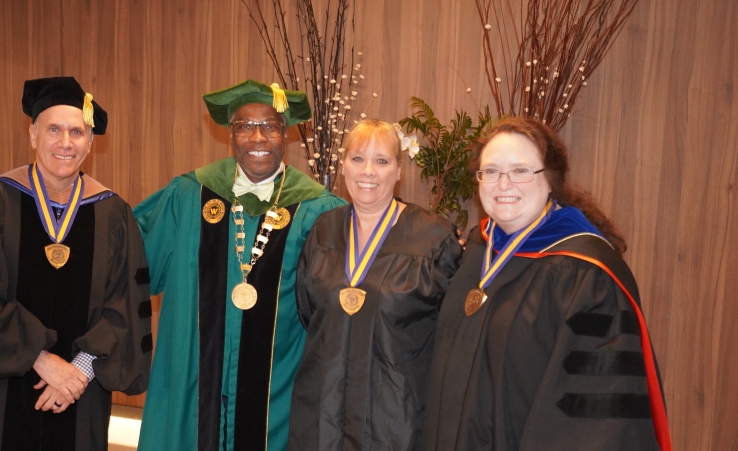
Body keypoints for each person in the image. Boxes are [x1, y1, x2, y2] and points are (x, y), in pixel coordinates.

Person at [419, 117, 671, 450]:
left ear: (550, 180)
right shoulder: (477, 251)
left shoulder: (585, 274)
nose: (503, 184)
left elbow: (595, 412)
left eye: (520, 171)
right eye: (490, 171)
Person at [0, 77, 152, 451]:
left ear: (90, 142)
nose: (66, 143)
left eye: (77, 132)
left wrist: (79, 370)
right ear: (33, 135)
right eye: (54, 130)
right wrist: (40, 358)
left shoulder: (113, 213)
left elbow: (125, 304)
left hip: (80, 390)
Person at [134, 79, 346, 451]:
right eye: (245, 126)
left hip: (279, 383)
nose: (258, 137)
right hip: (196, 380)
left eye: (270, 126)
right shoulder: (189, 195)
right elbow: (124, 253)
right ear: (230, 136)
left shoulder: (318, 208)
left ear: (286, 135)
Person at [287, 119, 463, 450]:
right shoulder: (323, 230)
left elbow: (451, 335)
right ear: (344, 166)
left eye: (381, 161)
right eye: (357, 159)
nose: (367, 171)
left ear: (398, 171)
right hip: (323, 416)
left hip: (398, 420)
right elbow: (310, 313)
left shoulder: (433, 237)